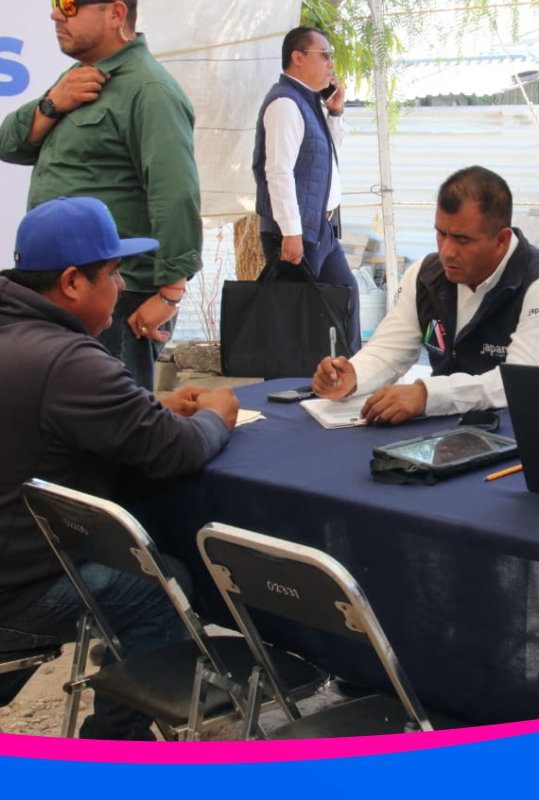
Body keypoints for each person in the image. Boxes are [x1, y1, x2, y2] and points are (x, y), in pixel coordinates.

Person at [0, 196, 239, 739]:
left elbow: (51, 419)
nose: (122, 284)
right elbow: (173, 451)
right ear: (71, 282)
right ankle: (116, 742)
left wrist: (147, 408)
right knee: (161, 584)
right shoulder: (68, 360)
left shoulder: (22, 339)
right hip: (15, 594)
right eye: (113, 272)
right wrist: (217, 414)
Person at [0, 0, 202, 390]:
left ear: (115, 13)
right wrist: (51, 103)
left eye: (69, 5)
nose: (56, 14)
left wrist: (171, 293)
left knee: (116, 416)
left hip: (118, 298)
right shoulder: (78, 78)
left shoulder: (150, 89)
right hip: (66, 295)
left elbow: (175, 192)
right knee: (70, 412)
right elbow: (9, 145)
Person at [311, 166, 539, 425]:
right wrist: (353, 376)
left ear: (502, 239)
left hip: (529, 438)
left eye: (463, 240)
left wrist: (427, 395)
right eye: (441, 234)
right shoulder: (425, 274)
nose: (447, 251)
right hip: (447, 435)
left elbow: (517, 383)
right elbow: (389, 351)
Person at [252, 25, 361, 355]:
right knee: (300, 325)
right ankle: (294, 382)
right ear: (298, 57)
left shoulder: (308, 102)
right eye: (325, 55)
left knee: (345, 298)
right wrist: (291, 232)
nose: (331, 63)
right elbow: (278, 171)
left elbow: (327, 157)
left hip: (319, 229)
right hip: (296, 233)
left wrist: (335, 113)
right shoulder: (285, 104)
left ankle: (350, 374)